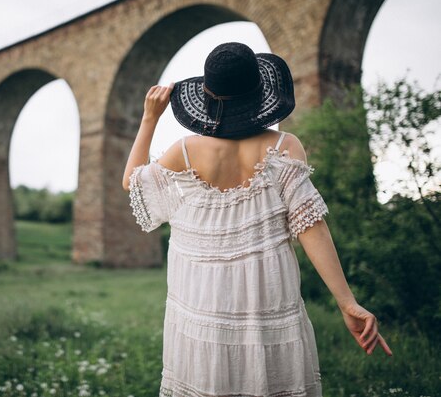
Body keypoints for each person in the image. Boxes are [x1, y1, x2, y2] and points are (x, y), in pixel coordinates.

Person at [121, 42, 392, 397]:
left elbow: (132, 181)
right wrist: (346, 301)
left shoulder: (185, 151)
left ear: (207, 97)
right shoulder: (285, 147)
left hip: (202, 298)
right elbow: (311, 226)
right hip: (266, 294)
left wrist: (149, 118)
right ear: (259, 94)